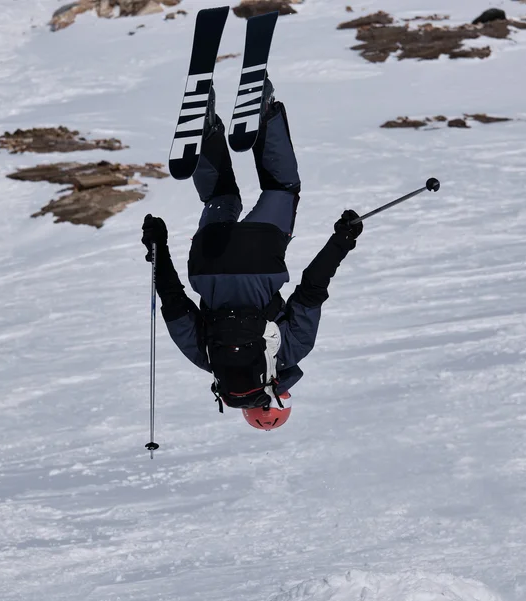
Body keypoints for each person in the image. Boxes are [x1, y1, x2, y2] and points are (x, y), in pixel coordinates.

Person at [141, 80, 363, 431]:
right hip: (208, 258)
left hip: (260, 254)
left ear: (281, 396)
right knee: (221, 197)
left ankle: (263, 112)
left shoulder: (291, 353)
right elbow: (173, 302)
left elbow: (311, 289)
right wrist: (159, 246)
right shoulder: (209, 360)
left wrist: (342, 241)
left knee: (283, 189)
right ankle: (203, 128)